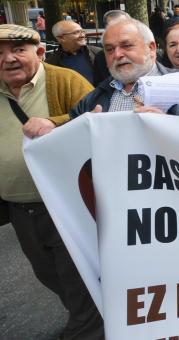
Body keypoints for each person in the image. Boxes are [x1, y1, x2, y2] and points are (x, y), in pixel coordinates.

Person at [0, 24, 104, 339]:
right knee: (48, 275)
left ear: (41, 52)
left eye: (18, 50)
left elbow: (97, 120)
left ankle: (87, 328)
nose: (8, 59)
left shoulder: (66, 81)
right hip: (20, 209)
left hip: (66, 206)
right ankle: (92, 317)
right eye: (0, 53)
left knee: (79, 281)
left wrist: (53, 122)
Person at [69, 17, 179, 118]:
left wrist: (173, 122)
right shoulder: (94, 98)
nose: (117, 54)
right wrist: (86, 129)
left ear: (151, 48)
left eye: (126, 46)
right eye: (109, 49)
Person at [45, 20, 109, 85]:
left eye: (82, 32)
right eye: (76, 32)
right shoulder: (51, 64)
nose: (82, 35)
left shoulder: (99, 53)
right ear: (61, 38)